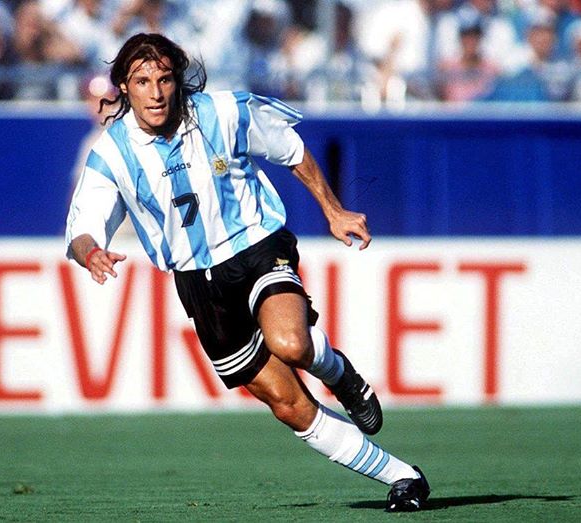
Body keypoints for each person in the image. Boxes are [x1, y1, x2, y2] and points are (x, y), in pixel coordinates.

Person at [64, 32, 430, 512]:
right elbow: (81, 228)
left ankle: (339, 374)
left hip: (256, 247)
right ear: (124, 88)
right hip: (198, 283)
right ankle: (403, 476)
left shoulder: (223, 112)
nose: (155, 93)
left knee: (291, 343)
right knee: (288, 405)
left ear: (178, 80)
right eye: (142, 82)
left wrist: (334, 210)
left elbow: (291, 148)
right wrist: (91, 252)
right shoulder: (111, 153)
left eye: (164, 79)